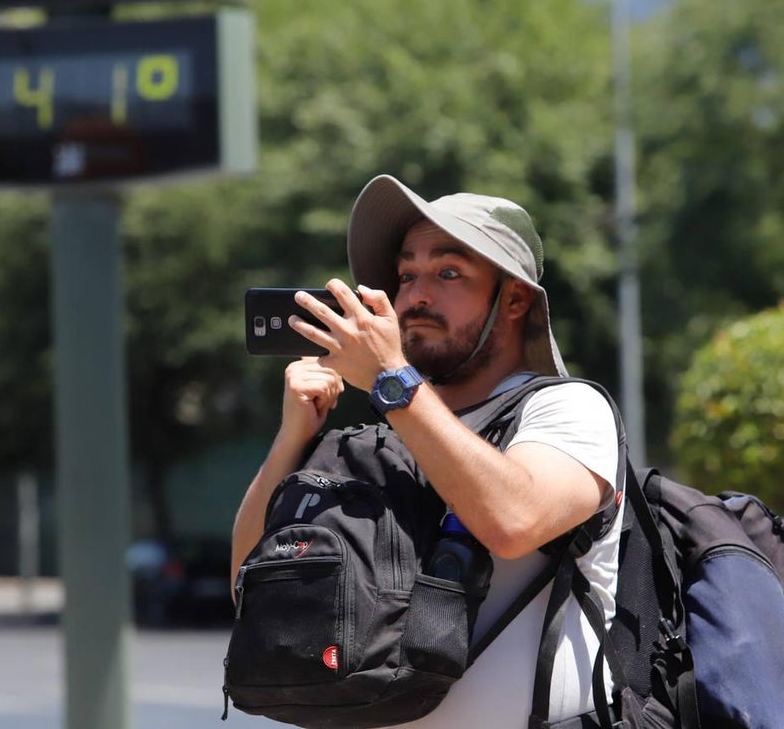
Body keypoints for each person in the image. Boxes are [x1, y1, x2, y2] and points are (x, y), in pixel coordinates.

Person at [230, 174, 624, 727]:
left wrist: (392, 379)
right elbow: (250, 584)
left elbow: (514, 521)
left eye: (448, 272)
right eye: (406, 274)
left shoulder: (567, 409)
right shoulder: (382, 434)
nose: (415, 296)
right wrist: (294, 436)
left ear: (513, 299)